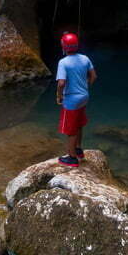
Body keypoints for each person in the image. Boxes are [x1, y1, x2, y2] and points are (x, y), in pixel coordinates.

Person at [55, 32, 96, 167]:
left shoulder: (63, 62)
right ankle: (78, 149)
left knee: (70, 129)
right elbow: (93, 76)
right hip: (84, 97)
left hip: (71, 100)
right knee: (79, 123)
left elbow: (61, 83)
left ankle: (72, 157)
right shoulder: (85, 58)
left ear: (64, 47)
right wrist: (85, 86)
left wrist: (59, 95)